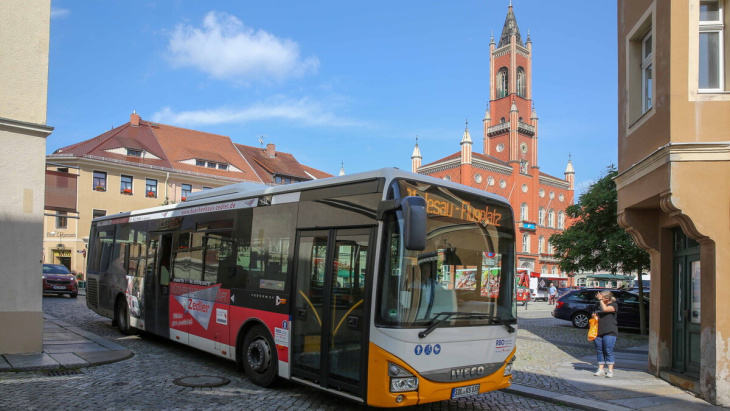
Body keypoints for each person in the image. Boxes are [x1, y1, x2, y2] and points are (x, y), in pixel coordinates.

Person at [593, 290, 619, 378]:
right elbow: (595, 313)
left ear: (607, 299)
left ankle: (610, 370)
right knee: (599, 350)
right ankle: (600, 369)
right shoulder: (598, 305)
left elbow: (605, 309)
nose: (599, 299)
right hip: (598, 331)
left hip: (610, 331)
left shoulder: (613, 305)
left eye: (602, 298)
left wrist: (600, 300)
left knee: (608, 350)